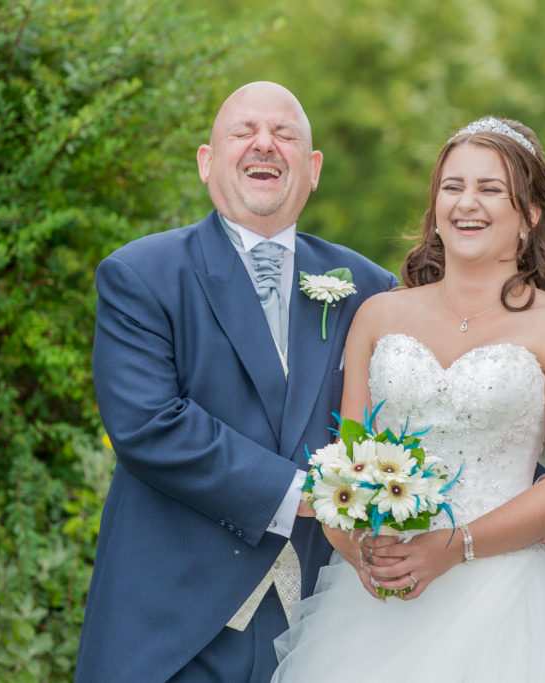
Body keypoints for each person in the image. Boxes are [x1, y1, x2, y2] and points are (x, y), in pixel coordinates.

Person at [76, 82, 398, 682]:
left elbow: (411, 408)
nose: (265, 144)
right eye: (243, 131)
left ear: (313, 168)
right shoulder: (140, 276)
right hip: (173, 628)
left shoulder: (368, 287)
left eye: (286, 134)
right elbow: (149, 425)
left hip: (319, 629)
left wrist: (520, 486)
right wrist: (313, 496)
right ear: (206, 161)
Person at [271, 117, 545, 682]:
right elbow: (345, 460)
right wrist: (355, 545)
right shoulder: (379, 314)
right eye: (452, 187)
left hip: (507, 602)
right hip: (375, 601)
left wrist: (456, 546)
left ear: (529, 214)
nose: (466, 203)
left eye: (490, 189)